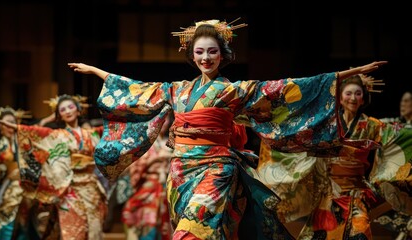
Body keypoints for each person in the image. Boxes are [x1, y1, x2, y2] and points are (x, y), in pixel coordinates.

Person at [68, 18, 387, 239]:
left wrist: (346, 74)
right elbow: (136, 89)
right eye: (200, 51)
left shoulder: (234, 90)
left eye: (212, 51)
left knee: (194, 231)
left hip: (216, 168)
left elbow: (284, 88)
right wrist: (97, 71)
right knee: (209, 231)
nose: (206, 57)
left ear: (223, 55)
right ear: (192, 56)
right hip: (180, 172)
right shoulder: (177, 90)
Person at [254, 74, 412, 239]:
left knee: (359, 232)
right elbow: (299, 136)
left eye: (358, 94)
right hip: (329, 193)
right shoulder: (328, 125)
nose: (353, 98)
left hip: (356, 193)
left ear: (363, 99)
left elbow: (399, 135)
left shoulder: (371, 125)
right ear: (340, 98)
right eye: (348, 93)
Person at [0, 94, 107, 240]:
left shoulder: (93, 133)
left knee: (95, 231)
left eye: (71, 107)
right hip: (69, 189)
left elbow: (113, 130)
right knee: (73, 232)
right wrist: (17, 127)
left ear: (78, 110)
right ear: (59, 115)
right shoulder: (57, 135)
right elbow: (36, 133)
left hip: (91, 188)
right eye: (62, 110)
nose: (67, 111)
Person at [116, 113, 173, 239]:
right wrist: (155, 159)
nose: (163, 122)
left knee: (165, 225)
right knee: (148, 224)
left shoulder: (169, 142)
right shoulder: (143, 143)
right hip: (147, 186)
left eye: (166, 119)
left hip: (166, 188)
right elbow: (132, 166)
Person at [0, 106, 32, 240]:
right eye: (6, 123)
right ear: (0, 127)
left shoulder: (26, 144)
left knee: (26, 224)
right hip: (9, 189)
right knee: (6, 223)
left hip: (28, 188)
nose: (10, 126)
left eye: (13, 122)